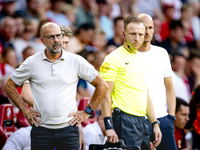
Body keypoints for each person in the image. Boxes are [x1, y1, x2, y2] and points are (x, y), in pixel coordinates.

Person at [4, 22, 109, 150]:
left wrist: (87, 112)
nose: (56, 40)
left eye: (58, 36)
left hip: (69, 129)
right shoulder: (32, 62)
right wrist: (25, 110)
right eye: (51, 37)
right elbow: (9, 85)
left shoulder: (75, 60)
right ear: (42, 41)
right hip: (41, 129)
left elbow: (102, 85)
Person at [100, 16, 162, 150]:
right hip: (123, 121)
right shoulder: (113, 58)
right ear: (124, 34)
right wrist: (109, 126)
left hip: (142, 121)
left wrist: (155, 123)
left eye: (140, 34)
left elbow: (145, 94)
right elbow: (105, 95)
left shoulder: (142, 59)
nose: (137, 38)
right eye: (133, 34)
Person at [137, 13, 177, 150]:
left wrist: (171, 116)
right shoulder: (127, 55)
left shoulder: (162, 53)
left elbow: (170, 87)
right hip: (139, 119)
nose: (147, 32)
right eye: (144, 27)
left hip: (164, 119)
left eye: (150, 27)